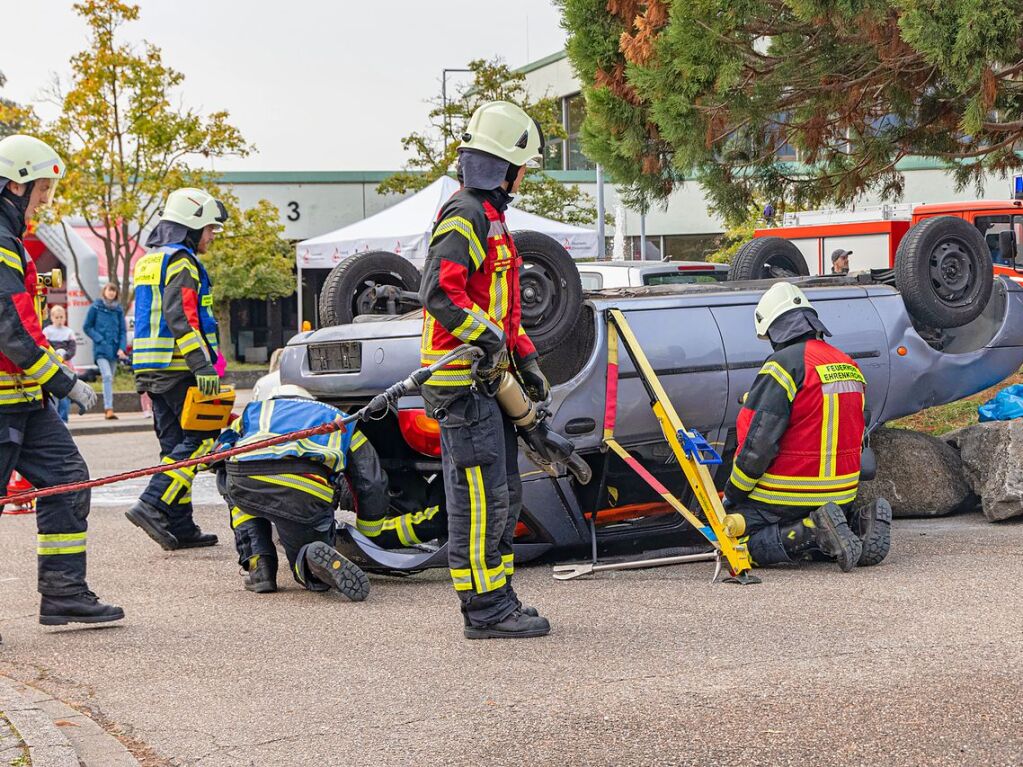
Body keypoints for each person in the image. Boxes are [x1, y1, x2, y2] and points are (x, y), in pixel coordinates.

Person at [419, 101, 552, 640]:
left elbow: (500, 307)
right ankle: (483, 608)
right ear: (504, 166)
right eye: (523, 167)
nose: (525, 177)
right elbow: (439, 292)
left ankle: (499, 596)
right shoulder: (466, 214)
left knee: (503, 492)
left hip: (489, 379)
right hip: (461, 381)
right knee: (479, 495)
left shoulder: (493, 220)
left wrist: (527, 359)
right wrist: (494, 341)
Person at [0, 134, 123, 625]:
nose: (46, 199)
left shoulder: (10, 238)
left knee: (68, 481)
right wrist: (64, 380)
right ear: (15, 183)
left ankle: (63, 594)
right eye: (43, 189)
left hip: (24, 402)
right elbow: (11, 328)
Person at [723, 282, 891, 571]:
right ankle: (855, 523)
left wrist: (733, 494)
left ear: (774, 329)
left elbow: (759, 444)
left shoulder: (783, 365)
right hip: (842, 491)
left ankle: (812, 530)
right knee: (825, 521)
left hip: (786, 493)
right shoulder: (847, 363)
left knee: (735, 542)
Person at [125, 187, 226, 551]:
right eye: (210, 229)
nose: (212, 236)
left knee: (173, 447)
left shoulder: (150, 260)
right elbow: (181, 317)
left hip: (152, 368)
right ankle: (152, 503)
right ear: (192, 226)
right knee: (202, 440)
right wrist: (204, 366)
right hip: (179, 367)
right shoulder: (182, 262)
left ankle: (180, 526)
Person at [214, 385, 372, 600]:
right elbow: (370, 480)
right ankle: (308, 562)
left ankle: (259, 566)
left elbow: (219, 452)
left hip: (247, 482)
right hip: (305, 491)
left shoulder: (255, 410)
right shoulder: (342, 419)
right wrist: (369, 535)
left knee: (228, 479)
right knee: (309, 562)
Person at [83, 282, 128, 419]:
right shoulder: (96, 307)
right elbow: (87, 327)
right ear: (104, 291)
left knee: (110, 378)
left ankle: (109, 408)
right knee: (107, 376)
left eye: (114, 291)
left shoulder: (118, 310)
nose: (112, 293)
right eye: (110, 290)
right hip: (101, 350)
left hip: (114, 350)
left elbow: (122, 331)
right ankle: (108, 408)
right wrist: (99, 339)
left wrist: (121, 348)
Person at [42, 305, 76, 422]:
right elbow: (45, 347)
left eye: (61, 317)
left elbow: (72, 349)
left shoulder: (69, 332)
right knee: (53, 394)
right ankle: (55, 419)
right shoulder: (47, 331)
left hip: (66, 366)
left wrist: (65, 355)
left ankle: (64, 419)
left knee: (64, 394)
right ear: (52, 318)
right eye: (57, 317)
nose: (59, 319)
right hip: (52, 365)